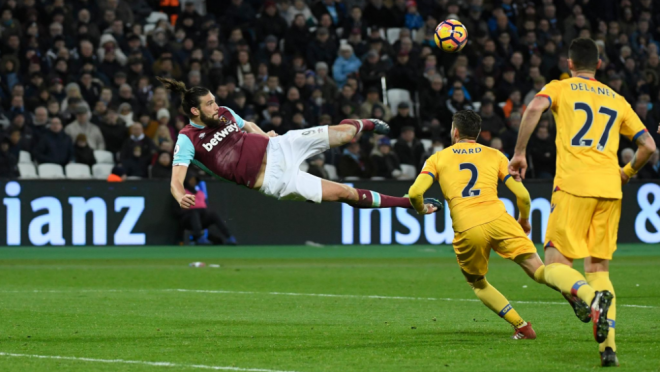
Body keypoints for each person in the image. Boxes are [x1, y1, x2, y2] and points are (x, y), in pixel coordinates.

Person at [509, 38, 658, 367]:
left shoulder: (561, 88)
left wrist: (519, 153)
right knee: (597, 268)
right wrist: (627, 171)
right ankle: (608, 349)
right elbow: (648, 145)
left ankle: (590, 299)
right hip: (610, 187)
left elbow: (534, 107)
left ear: (570, 64)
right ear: (599, 66)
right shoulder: (618, 99)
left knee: (554, 265)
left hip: (574, 185)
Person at [160, 77, 442, 217]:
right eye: (209, 103)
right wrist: (180, 195)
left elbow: (248, 126)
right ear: (194, 112)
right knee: (344, 193)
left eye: (213, 99)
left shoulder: (224, 113)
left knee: (344, 135)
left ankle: (364, 123)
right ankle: (408, 203)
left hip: (280, 147)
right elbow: (175, 180)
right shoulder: (187, 139)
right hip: (275, 180)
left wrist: (266, 137)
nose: (215, 104)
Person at [407, 110, 552, 340]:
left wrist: (421, 209)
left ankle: (521, 326)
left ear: (455, 131)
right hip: (499, 219)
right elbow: (523, 196)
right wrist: (524, 219)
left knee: (478, 284)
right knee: (539, 269)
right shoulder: (496, 155)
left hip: (468, 226)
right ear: (478, 132)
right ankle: (577, 292)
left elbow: (415, 192)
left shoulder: (438, 158)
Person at [179, 175, 237, 245]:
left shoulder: (200, 193)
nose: (193, 182)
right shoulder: (182, 192)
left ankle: (229, 237)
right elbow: (176, 210)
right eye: (191, 180)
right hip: (187, 219)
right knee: (194, 213)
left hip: (201, 219)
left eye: (194, 180)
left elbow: (205, 207)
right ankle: (199, 237)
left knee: (213, 215)